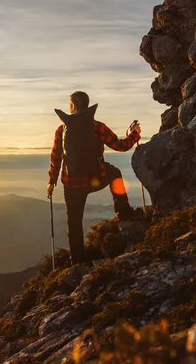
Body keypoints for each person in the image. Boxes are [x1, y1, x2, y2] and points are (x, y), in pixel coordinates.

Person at [46, 91, 141, 265]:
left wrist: (51, 182)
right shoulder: (97, 127)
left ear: (73, 106)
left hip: (72, 184)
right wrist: (135, 134)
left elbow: (56, 157)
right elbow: (121, 146)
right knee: (116, 174)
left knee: (74, 221)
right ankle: (124, 212)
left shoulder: (61, 130)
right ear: (87, 106)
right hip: (97, 177)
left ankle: (78, 260)